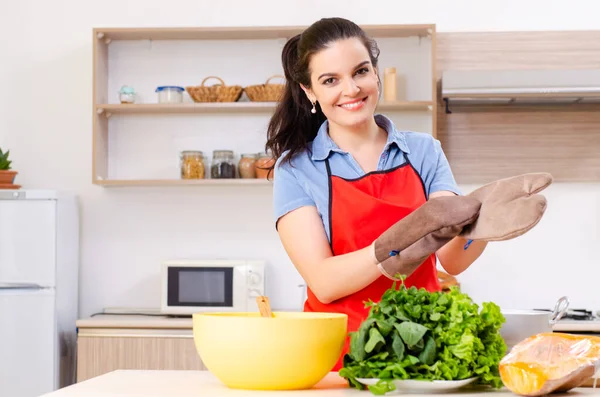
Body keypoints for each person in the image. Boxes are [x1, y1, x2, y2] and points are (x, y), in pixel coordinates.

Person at [264, 17, 488, 371]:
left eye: (361, 71)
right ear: (310, 92)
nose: (351, 89)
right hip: (338, 358)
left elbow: (452, 257)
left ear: (376, 72)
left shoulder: (423, 151)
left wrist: (485, 224)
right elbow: (323, 283)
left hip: (423, 354)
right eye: (330, 80)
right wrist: (388, 250)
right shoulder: (296, 168)